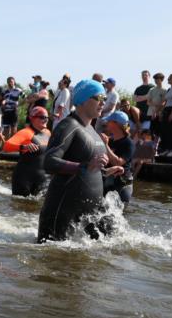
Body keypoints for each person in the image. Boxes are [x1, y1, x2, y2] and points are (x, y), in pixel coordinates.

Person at [38, 79, 122, 242]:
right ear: (83, 100)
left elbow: (87, 166)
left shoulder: (92, 130)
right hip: (62, 211)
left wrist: (105, 172)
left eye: (105, 99)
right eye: (99, 97)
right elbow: (49, 162)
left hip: (88, 214)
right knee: (51, 262)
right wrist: (85, 166)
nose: (103, 102)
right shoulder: (68, 126)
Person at [2, 105, 51, 196]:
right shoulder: (26, 132)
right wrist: (24, 147)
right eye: (42, 117)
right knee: (20, 207)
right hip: (24, 179)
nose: (46, 119)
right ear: (32, 118)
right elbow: (6, 146)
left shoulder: (47, 133)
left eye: (47, 117)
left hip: (42, 178)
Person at [100, 111, 135, 204]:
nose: (106, 123)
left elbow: (118, 163)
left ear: (115, 124)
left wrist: (105, 145)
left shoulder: (129, 143)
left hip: (122, 185)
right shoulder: (109, 140)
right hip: (107, 181)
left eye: (109, 121)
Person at [1, 77, 23, 141]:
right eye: (8, 81)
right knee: (6, 130)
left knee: (14, 129)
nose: (10, 82)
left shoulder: (18, 90)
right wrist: (3, 103)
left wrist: (19, 104)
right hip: (6, 111)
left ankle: (13, 144)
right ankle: (7, 145)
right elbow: (3, 99)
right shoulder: (5, 91)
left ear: (14, 82)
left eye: (11, 81)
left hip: (14, 111)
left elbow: (25, 98)